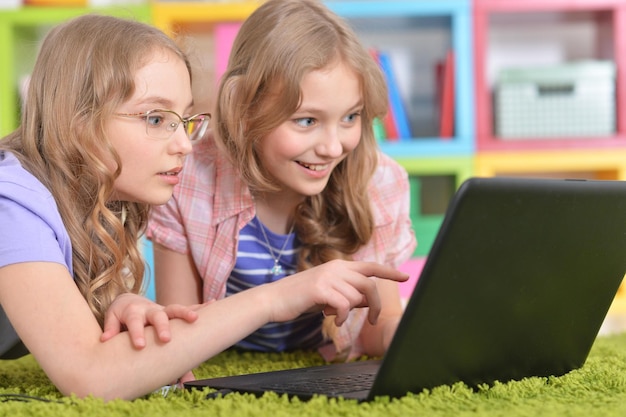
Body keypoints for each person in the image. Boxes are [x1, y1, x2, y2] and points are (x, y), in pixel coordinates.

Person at [0, 13, 408, 401]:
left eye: (184, 119)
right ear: (78, 121)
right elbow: (90, 375)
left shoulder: (95, 205)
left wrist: (118, 307)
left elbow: (75, 335)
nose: (183, 144)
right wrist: (274, 298)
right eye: (156, 119)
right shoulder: (12, 202)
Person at [148, 0, 417, 380]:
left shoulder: (378, 183)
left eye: (350, 117)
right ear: (245, 108)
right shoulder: (189, 178)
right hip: (224, 353)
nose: (332, 146)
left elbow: (378, 323)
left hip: (323, 359)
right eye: (307, 120)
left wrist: (402, 336)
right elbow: (181, 329)